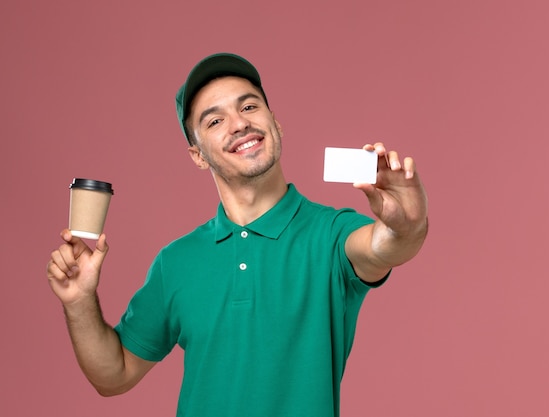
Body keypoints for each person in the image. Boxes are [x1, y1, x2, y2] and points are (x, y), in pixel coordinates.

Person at [46, 53, 429, 417]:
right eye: (214, 121)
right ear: (197, 155)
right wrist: (79, 301)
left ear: (275, 123)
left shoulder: (331, 235)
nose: (239, 123)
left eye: (249, 107)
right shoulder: (176, 262)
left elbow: (387, 245)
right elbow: (114, 375)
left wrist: (407, 222)